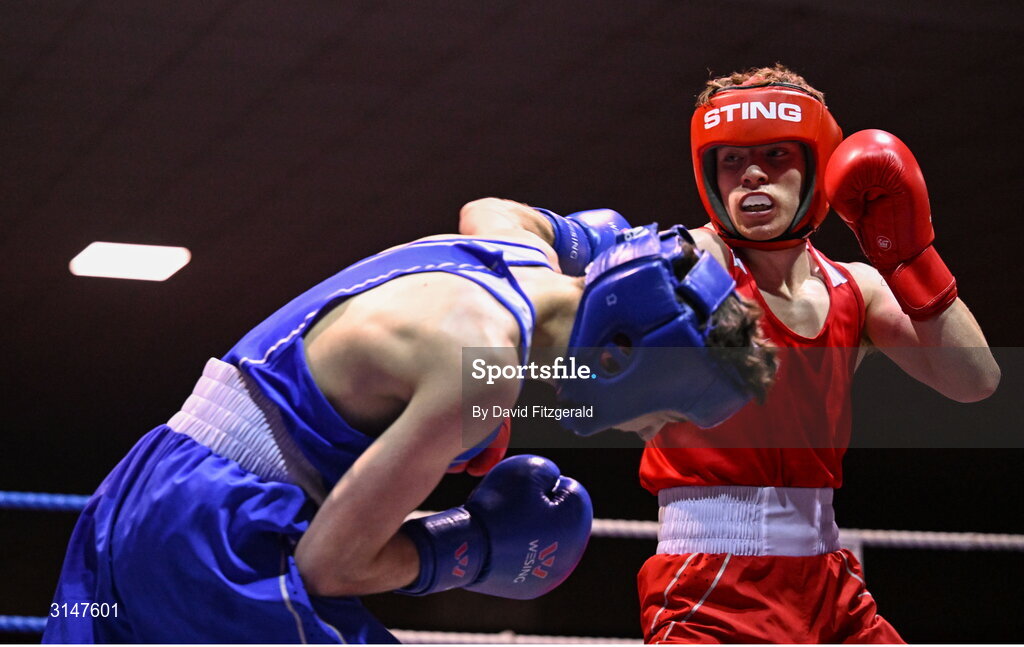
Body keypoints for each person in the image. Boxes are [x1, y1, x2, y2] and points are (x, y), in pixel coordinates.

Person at [43, 207, 774, 643]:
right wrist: (469, 547)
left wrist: (611, 250)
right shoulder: (478, 374)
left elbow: (493, 206)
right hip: (219, 539)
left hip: (148, 482)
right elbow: (331, 565)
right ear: (616, 358)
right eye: (664, 413)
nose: (650, 435)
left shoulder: (517, 249)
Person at [632, 65, 1002, 643]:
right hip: (711, 586)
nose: (752, 173)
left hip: (828, 582)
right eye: (730, 159)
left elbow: (975, 380)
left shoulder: (857, 286)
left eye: (777, 154)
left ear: (817, 164)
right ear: (709, 172)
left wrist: (911, 258)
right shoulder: (682, 265)